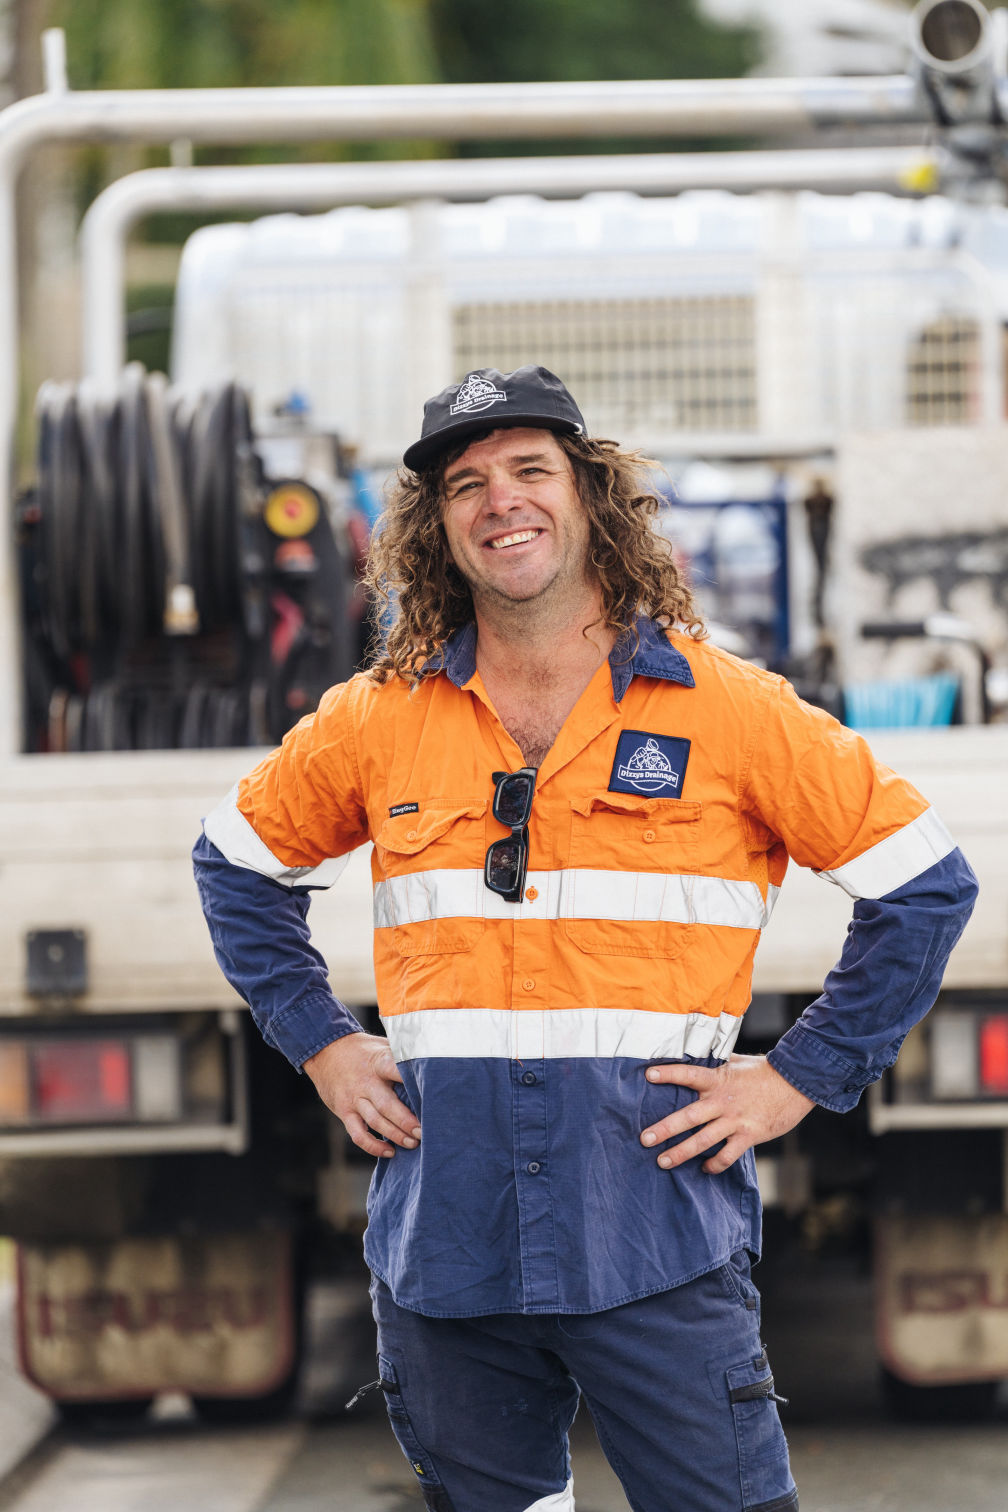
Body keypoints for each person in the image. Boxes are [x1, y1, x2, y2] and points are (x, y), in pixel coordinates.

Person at [193, 365, 977, 1512]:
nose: (498, 501)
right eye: (465, 484)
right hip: (446, 1249)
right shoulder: (375, 719)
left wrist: (803, 1077)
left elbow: (924, 885)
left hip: (652, 1236)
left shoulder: (729, 710)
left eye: (528, 470)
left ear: (590, 496)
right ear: (437, 526)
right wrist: (321, 1042)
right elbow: (236, 864)